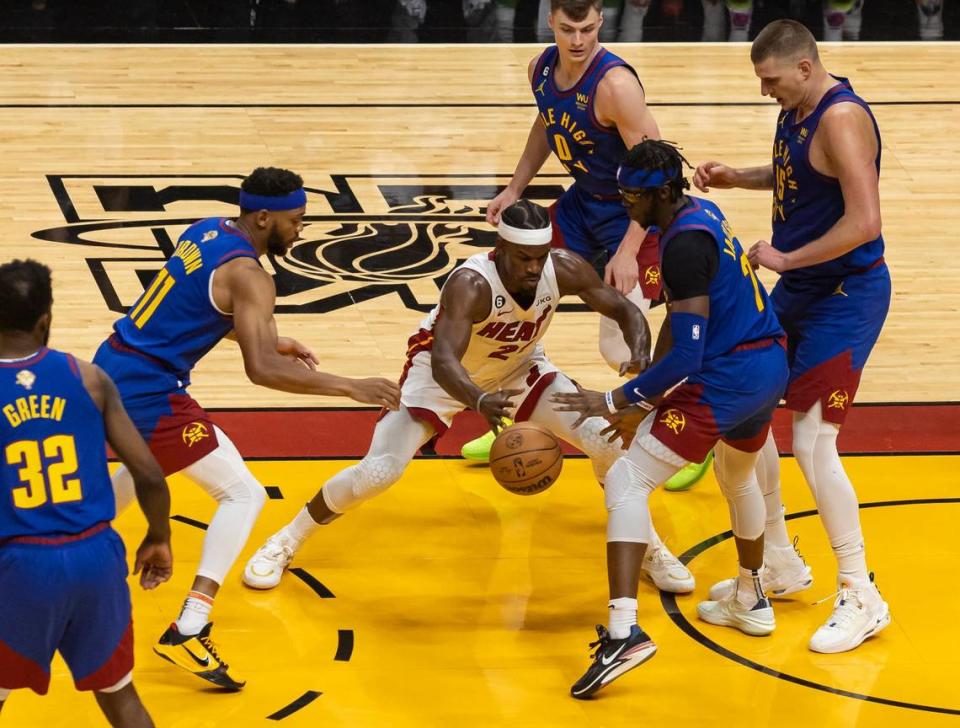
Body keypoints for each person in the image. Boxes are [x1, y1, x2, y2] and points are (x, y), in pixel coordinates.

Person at [243, 199, 694, 596]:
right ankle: (286, 539)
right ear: (500, 249)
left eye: (540, 257)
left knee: (609, 443)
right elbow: (444, 361)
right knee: (379, 472)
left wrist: (638, 357)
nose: (534, 269)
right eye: (523, 259)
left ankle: (648, 548)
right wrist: (478, 402)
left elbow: (628, 310)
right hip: (440, 376)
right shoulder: (471, 285)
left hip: (518, 368)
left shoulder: (564, 267)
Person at [91, 167, 401, 688]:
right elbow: (261, 372)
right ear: (264, 218)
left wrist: (268, 337)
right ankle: (191, 626)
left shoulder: (206, 229)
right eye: (295, 221)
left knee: (145, 470)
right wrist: (350, 386)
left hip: (114, 363)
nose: (300, 231)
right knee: (242, 495)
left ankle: (32, 548)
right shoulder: (252, 277)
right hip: (149, 391)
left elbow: (190, 304)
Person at [554, 140, 789, 698]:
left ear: (662, 192)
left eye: (632, 197)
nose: (624, 206)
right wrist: (645, 391)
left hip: (727, 378)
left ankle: (623, 632)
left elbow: (689, 356)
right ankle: (751, 597)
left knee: (626, 479)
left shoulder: (682, 246)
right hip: (765, 365)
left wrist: (618, 401)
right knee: (737, 478)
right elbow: (682, 321)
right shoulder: (700, 214)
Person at [693, 19, 892, 654]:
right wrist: (737, 178)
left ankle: (861, 593)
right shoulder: (799, 108)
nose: (765, 92)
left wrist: (785, 259)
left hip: (846, 296)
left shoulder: (841, 117)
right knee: (741, 416)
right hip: (805, 288)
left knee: (811, 439)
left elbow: (865, 222)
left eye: (771, 80)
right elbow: (799, 177)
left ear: (804, 68)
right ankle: (776, 560)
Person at [466, 0, 713, 491]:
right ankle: (518, 407)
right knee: (512, 283)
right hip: (584, 206)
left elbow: (663, 171)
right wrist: (515, 188)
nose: (577, 40)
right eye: (566, 29)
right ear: (551, 23)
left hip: (636, 214)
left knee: (617, 342)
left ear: (600, 20)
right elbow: (546, 124)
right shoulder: (540, 68)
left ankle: (687, 434)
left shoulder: (615, 85)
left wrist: (627, 248)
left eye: (585, 28)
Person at [0, 260, 173, 727]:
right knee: (121, 698)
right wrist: (159, 536)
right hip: (96, 558)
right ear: (45, 320)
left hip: (20, 565)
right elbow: (151, 476)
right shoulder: (88, 377)